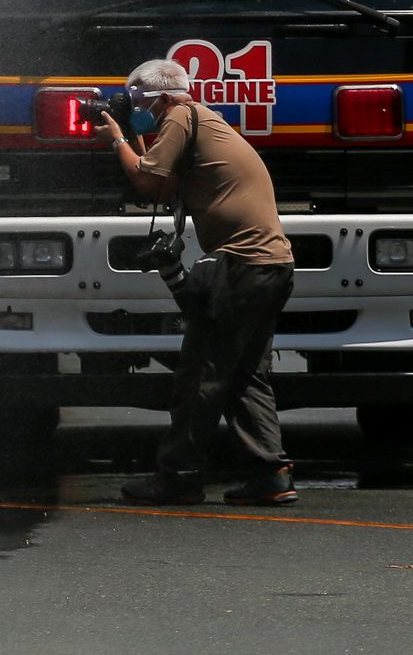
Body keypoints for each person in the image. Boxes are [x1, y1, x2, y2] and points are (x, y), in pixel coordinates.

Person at [98, 57, 298, 507]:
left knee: (200, 374)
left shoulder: (182, 115)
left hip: (243, 266)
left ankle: (179, 476)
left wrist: (117, 139)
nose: (138, 110)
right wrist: (133, 134)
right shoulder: (203, 124)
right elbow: (167, 188)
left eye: (140, 103)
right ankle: (270, 474)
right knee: (246, 376)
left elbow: (147, 180)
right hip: (270, 265)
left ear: (165, 98)